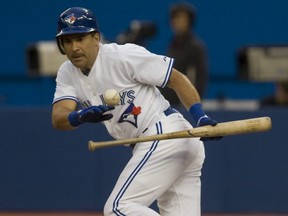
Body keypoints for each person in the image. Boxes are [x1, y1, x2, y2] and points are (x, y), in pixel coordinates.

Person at [52, 7, 220, 216]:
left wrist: (199, 115)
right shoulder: (67, 72)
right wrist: (78, 116)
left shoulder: (122, 55)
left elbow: (176, 79)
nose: (74, 47)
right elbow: (58, 117)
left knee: (117, 208)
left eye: (80, 38)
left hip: (164, 134)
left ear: (96, 38)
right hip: (161, 143)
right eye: (67, 41)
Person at [160, 2, 209, 107]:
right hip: (168, 103)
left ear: (189, 21)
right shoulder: (172, 44)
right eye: (175, 18)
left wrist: (192, 105)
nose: (177, 22)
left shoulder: (196, 46)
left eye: (181, 18)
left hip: (184, 106)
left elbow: (201, 79)